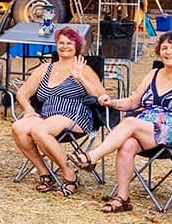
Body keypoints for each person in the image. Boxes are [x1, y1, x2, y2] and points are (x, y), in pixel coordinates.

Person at [72, 32, 172, 213]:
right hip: (146, 129)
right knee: (128, 144)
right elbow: (133, 101)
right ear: (159, 53)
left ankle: (92, 157)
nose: (169, 52)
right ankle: (122, 198)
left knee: (131, 123)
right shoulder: (153, 74)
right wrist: (111, 102)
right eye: (164, 48)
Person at [10, 26, 107, 196]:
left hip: (74, 115)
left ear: (77, 46)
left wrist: (80, 79)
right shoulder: (45, 68)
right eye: (61, 43)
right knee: (18, 127)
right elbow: (23, 92)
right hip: (46, 115)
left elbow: (101, 95)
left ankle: (69, 175)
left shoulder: (83, 68)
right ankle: (44, 172)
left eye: (69, 43)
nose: (64, 46)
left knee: (40, 130)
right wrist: (28, 108)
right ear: (56, 45)